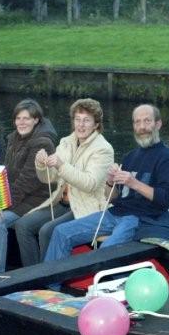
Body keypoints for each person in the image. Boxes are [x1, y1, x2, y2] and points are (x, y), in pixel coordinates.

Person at [44, 104, 169, 261]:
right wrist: (110, 182)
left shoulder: (168, 158)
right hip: (115, 213)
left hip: (143, 219)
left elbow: (167, 199)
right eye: (137, 122)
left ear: (158, 124)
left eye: (147, 121)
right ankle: (51, 278)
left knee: (106, 250)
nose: (142, 127)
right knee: (61, 232)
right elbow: (113, 198)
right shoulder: (131, 156)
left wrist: (134, 183)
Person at [16, 98, 114, 266]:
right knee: (22, 225)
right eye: (77, 119)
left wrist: (61, 165)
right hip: (62, 202)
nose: (80, 125)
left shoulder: (103, 149)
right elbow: (49, 178)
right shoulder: (66, 142)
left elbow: (90, 184)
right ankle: (32, 273)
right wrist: (41, 165)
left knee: (47, 231)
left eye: (86, 120)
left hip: (85, 206)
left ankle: (47, 275)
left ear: (96, 125)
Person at [0, 99, 57, 274]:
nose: (21, 122)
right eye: (18, 118)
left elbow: (27, 182)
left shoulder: (42, 143)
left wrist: (0, 205)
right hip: (11, 195)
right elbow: (9, 173)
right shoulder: (14, 138)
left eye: (26, 118)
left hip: (35, 199)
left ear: (36, 120)